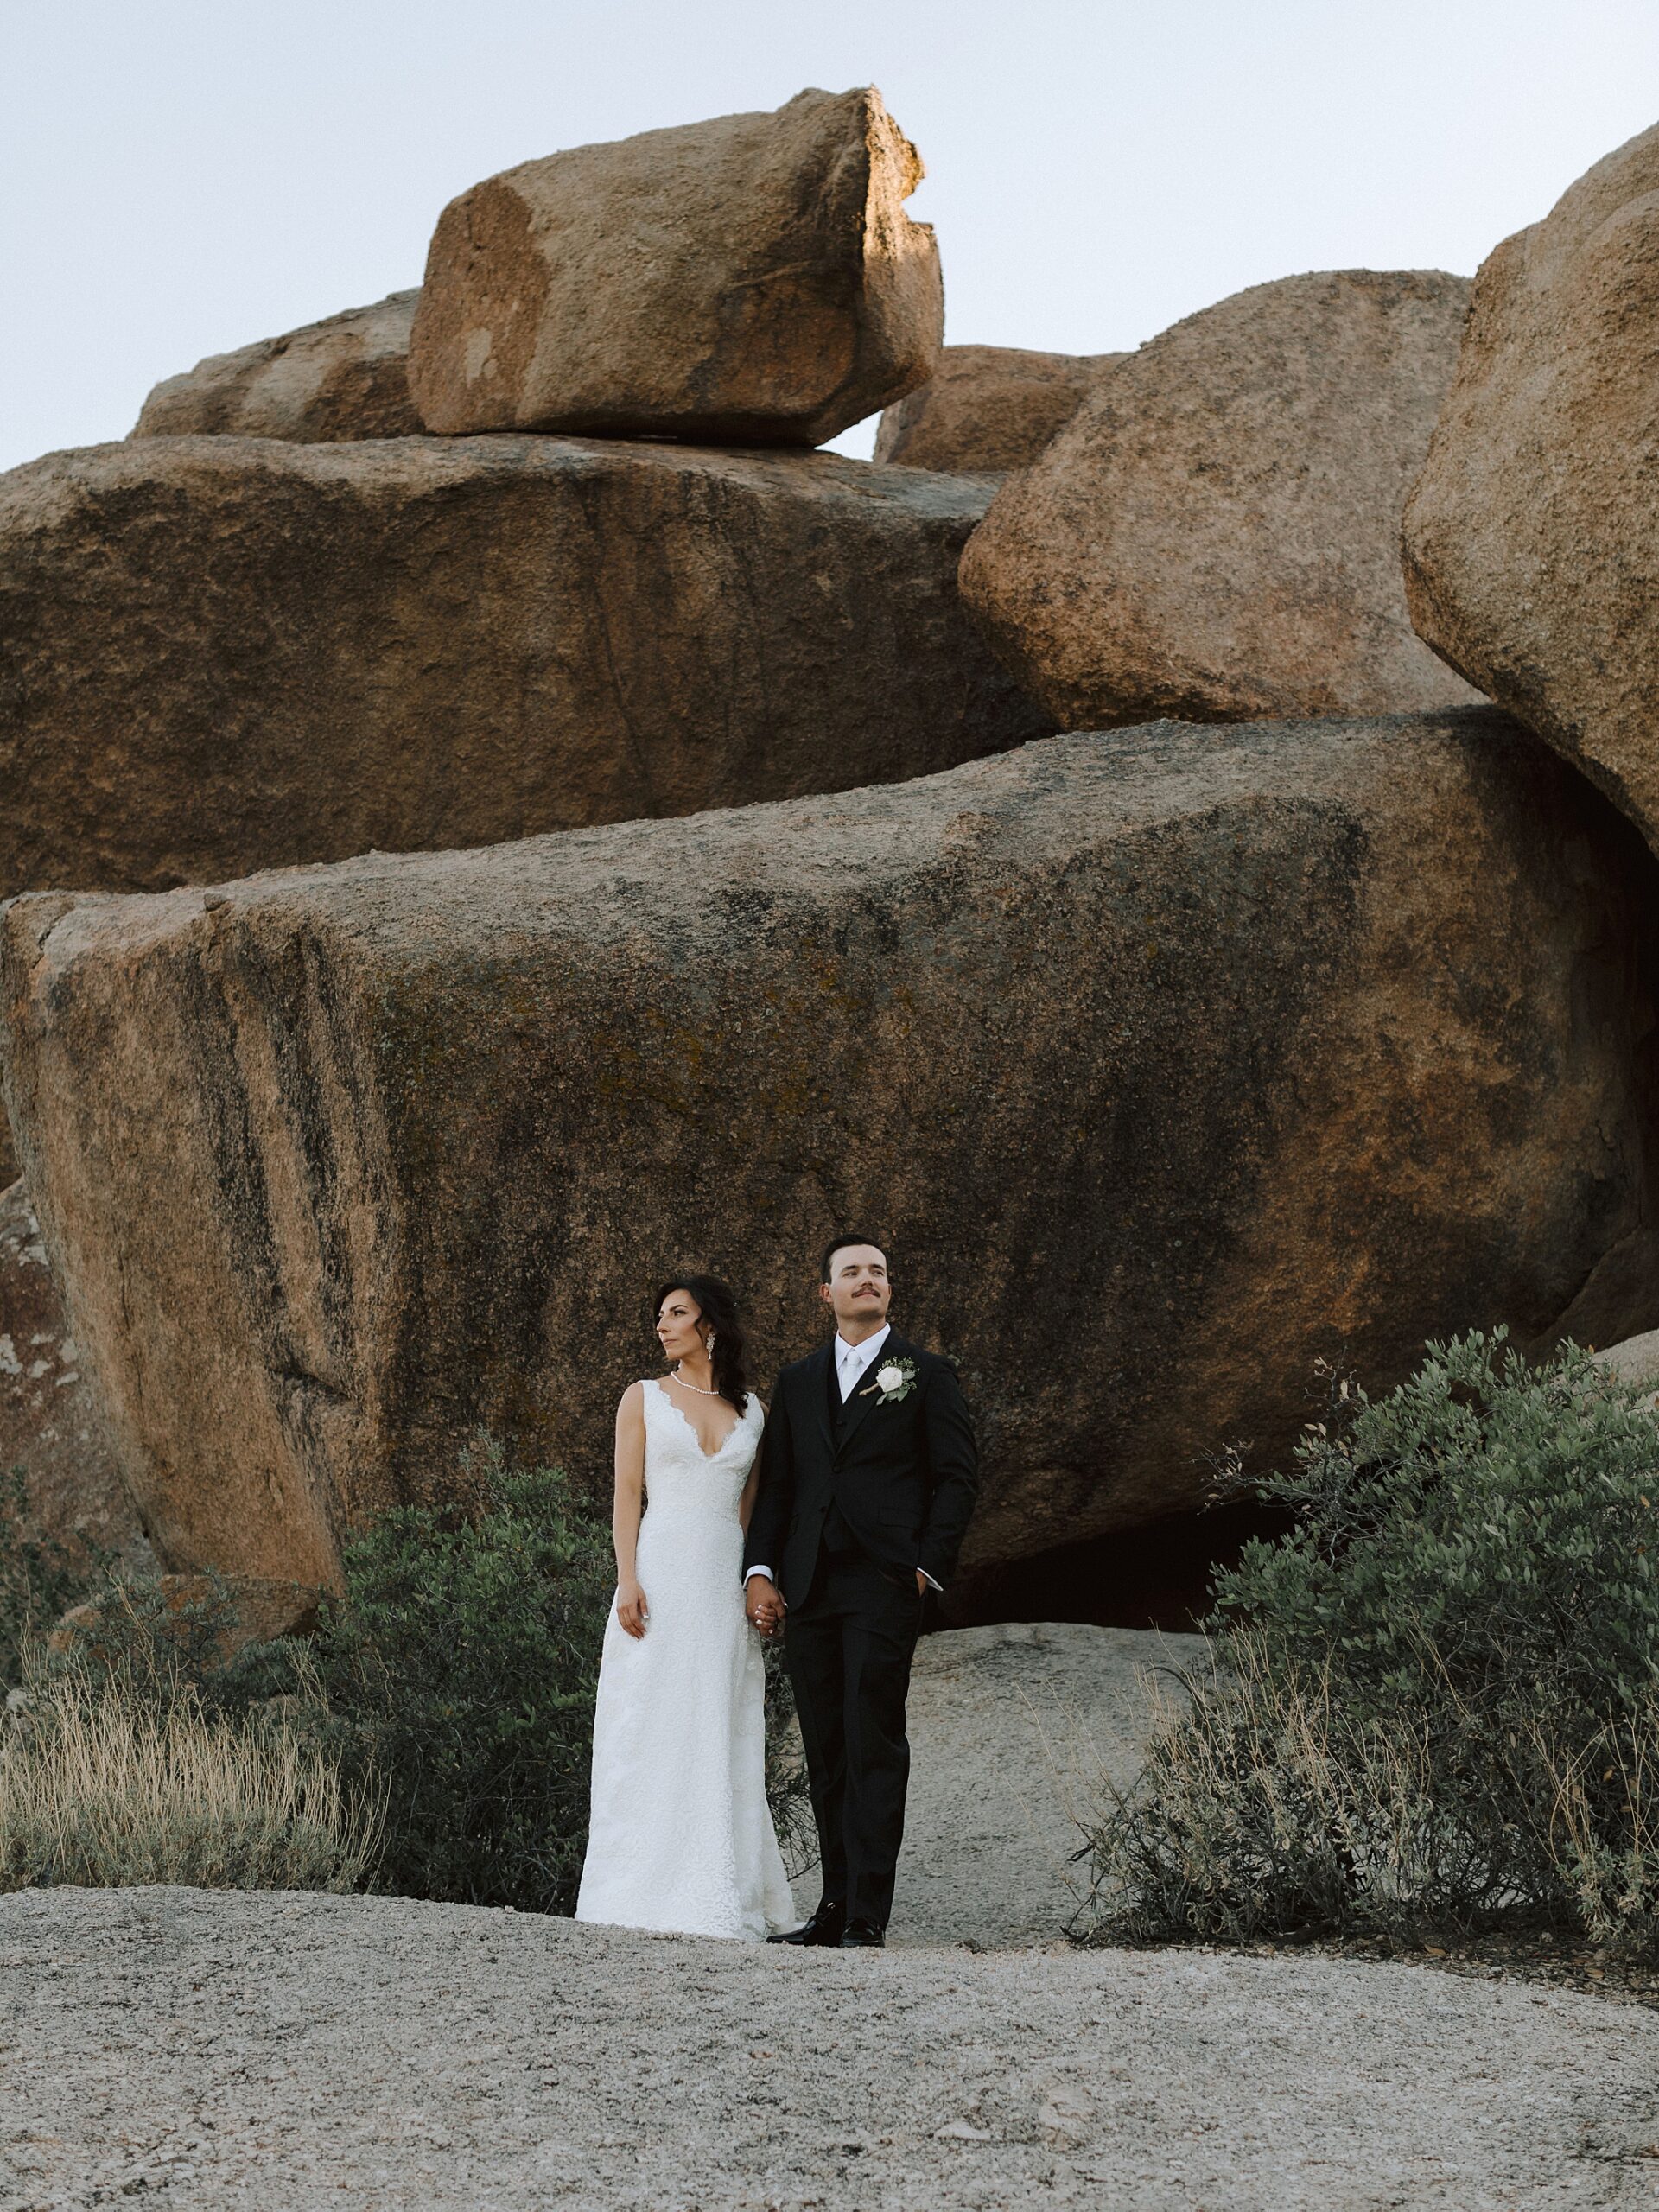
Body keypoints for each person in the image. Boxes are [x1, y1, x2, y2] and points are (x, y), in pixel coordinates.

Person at [743, 1236, 979, 1948]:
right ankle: (832, 1908)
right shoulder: (799, 1379)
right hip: (810, 1585)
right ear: (828, 1293)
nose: (866, 1280)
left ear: (888, 1289)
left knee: (872, 1739)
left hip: (883, 1582)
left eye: (877, 1271)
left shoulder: (926, 1374)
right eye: (852, 1272)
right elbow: (780, 1485)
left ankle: (868, 1917)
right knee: (825, 1749)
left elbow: (957, 1478)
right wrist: (761, 1571)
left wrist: (924, 1567)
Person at [575, 1274, 797, 1940]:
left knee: (719, 1721)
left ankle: (723, 1886)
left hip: (721, 1583)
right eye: (660, 1316)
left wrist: (756, 1582)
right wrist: (627, 1579)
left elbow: (752, 1513)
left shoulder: (753, 1412)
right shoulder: (641, 1398)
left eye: (677, 1313)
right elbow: (626, 1497)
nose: (663, 1325)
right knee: (649, 1720)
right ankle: (634, 1889)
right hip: (661, 1572)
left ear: (711, 1325)